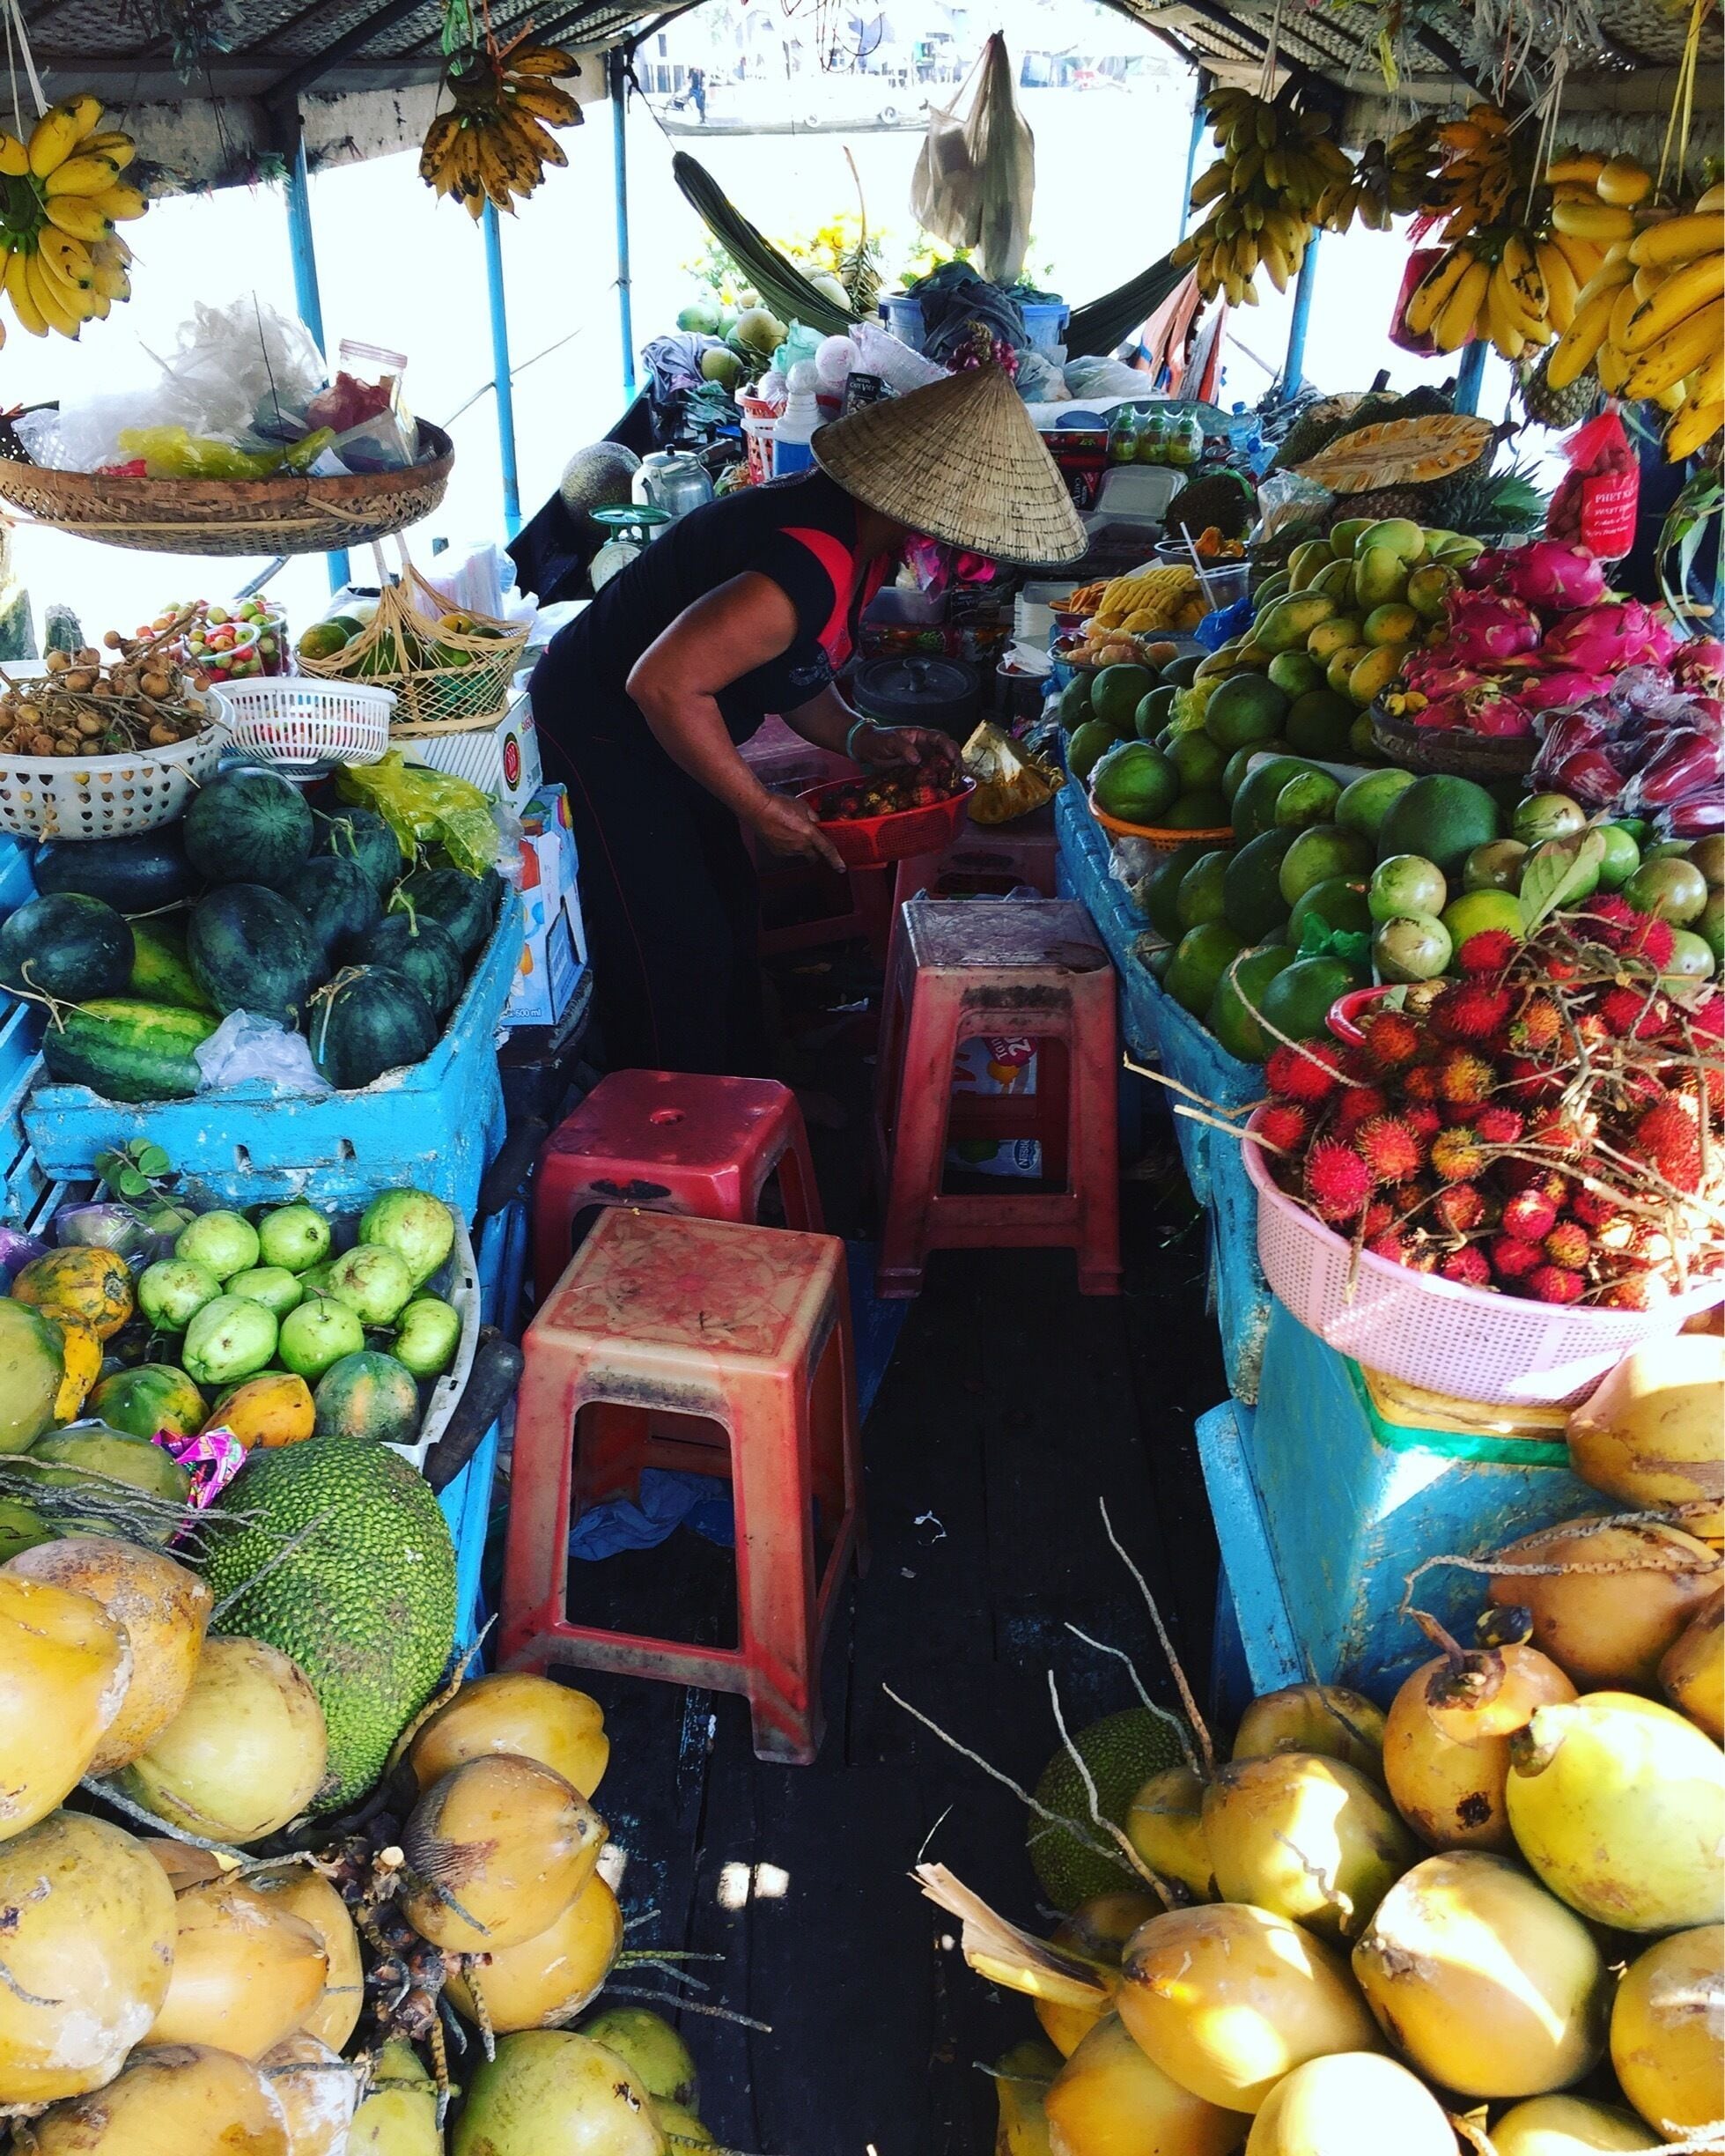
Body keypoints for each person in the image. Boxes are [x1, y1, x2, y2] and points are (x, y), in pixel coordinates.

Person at [528, 363, 1085, 1074]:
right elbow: (665, 686)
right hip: (603, 734)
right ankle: (673, 1134)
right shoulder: (807, 560)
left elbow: (791, 670)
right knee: (671, 942)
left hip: (674, 734)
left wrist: (863, 736)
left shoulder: (856, 543)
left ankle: (746, 1088)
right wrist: (759, 803)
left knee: (728, 909)